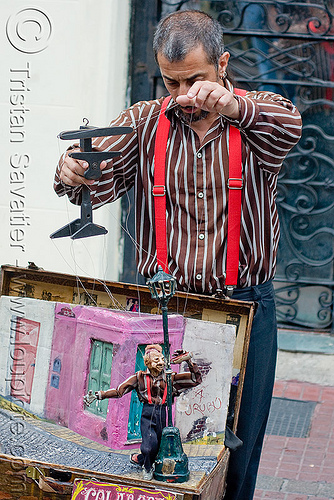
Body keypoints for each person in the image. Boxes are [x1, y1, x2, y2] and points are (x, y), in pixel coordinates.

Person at [54, 10, 302, 499]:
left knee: (237, 452)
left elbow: (289, 126)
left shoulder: (257, 117)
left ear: (223, 64)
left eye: (196, 80)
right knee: (158, 446)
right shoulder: (145, 124)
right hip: (166, 312)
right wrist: (70, 172)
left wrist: (232, 105)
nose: (185, 95)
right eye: (172, 83)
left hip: (246, 310)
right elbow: (95, 178)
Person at [83, 345, 202, 480]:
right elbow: (119, 391)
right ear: (148, 362)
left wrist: (188, 361)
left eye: (162, 359)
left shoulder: (170, 377)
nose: (161, 363)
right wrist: (99, 395)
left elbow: (195, 379)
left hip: (163, 413)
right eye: (156, 360)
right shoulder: (139, 377)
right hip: (148, 412)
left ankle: (140, 459)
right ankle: (146, 466)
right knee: (149, 445)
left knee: (160, 445)